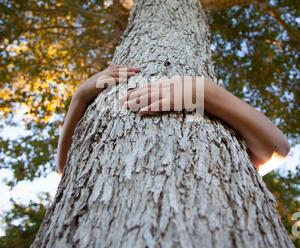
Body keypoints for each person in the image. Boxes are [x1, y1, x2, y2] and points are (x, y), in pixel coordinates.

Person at [56, 64, 290, 177]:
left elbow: (276, 148)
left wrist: (205, 93)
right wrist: (78, 98)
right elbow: (64, 170)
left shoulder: (237, 163)